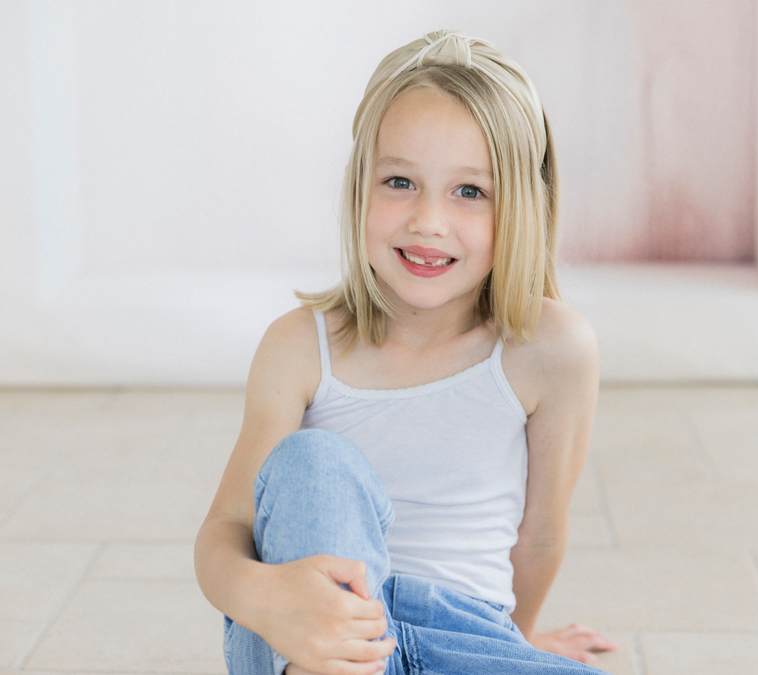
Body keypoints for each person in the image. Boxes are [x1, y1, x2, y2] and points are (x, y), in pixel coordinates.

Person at [194, 29, 616, 675]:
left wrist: (510, 648)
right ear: (359, 185)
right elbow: (224, 528)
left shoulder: (551, 348)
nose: (428, 220)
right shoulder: (301, 346)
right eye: (399, 181)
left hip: (460, 629)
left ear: (524, 207)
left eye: (470, 191)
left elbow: (540, 536)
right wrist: (264, 596)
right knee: (315, 459)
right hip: (313, 635)